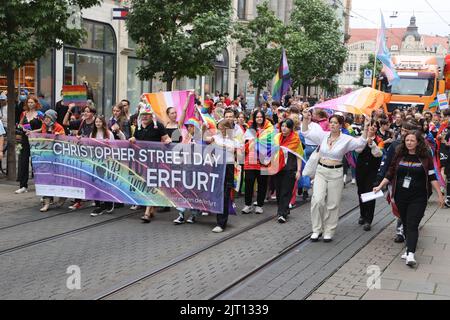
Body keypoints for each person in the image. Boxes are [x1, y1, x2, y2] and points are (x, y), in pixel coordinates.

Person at [374, 131, 444, 266]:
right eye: (407, 140)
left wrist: (440, 194)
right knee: (405, 222)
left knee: (412, 224)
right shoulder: (399, 155)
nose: (409, 143)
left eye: (412, 140)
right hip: (401, 195)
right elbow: (390, 172)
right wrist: (380, 186)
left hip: (419, 196)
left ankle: (411, 253)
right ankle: (408, 248)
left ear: (418, 142)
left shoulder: (424, 156)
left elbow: (432, 176)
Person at [301, 114, 369, 242]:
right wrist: (305, 118)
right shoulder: (323, 135)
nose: (332, 124)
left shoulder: (346, 139)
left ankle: (329, 230)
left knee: (333, 203)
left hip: (336, 172)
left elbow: (361, 142)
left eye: (335, 123)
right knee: (317, 200)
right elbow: (305, 132)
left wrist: (365, 127)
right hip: (321, 170)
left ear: (340, 125)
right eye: (331, 122)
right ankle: (317, 229)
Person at [376, 119, 422, 243]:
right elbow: (387, 163)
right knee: (398, 204)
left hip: (415, 184)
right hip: (396, 180)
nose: (403, 133)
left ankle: (408, 227)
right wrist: (380, 179)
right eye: (402, 130)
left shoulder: (421, 146)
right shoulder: (395, 144)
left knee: (411, 207)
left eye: (406, 131)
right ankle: (401, 229)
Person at [130, 105, 171, 223]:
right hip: (142, 161)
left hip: (155, 161)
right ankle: (151, 208)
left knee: (151, 184)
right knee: (145, 184)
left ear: (151, 116)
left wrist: (168, 141)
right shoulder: (138, 128)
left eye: (146, 115)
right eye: (142, 115)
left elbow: (166, 139)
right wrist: (132, 139)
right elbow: (136, 140)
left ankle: (147, 212)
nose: (144, 117)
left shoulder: (158, 126)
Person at [242, 110, 273, 214]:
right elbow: (245, 145)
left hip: (264, 161)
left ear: (264, 118)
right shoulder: (250, 130)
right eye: (257, 117)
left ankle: (259, 205)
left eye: (261, 117)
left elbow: (272, 145)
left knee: (262, 184)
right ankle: (247, 205)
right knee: (249, 183)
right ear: (254, 119)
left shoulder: (269, 130)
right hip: (250, 161)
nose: (259, 118)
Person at [355, 120, 383, 231]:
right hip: (360, 169)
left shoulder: (379, 140)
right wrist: (365, 140)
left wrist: (372, 144)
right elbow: (357, 150)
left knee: (370, 193)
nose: (372, 128)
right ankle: (362, 214)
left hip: (372, 170)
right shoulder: (361, 138)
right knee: (361, 192)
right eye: (370, 125)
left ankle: (368, 219)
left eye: (375, 126)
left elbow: (378, 154)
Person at [273, 119, 303, 223]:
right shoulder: (277, 137)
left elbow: (299, 156)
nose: (284, 128)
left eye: (286, 126)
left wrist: (299, 171)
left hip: (290, 168)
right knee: (279, 191)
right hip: (277, 167)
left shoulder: (296, 139)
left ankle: (282, 214)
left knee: (286, 191)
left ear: (291, 128)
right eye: (282, 126)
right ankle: (283, 209)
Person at [39, 110, 66, 212]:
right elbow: (43, 138)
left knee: (58, 179)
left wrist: (58, 136)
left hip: (57, 157)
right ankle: (46, 203)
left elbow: (64, 141)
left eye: (48, 117)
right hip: (46, 156)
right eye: (45, 117)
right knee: (46, 178)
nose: (45, 119)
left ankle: (62, 197)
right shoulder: (44, 126)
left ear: (53, 119)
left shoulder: (59, 127)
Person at [15, 95, 43, 194]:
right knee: (23, 162)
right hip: (24, 140)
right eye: (29, 102)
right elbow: (19, 124)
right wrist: (22, 128)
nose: (30, 104)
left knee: (36, 163)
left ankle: (40, 185)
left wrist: (33, 132)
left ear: (36, 103)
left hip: (35, 141)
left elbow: (44, 127)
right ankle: (23, 186)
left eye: (32, 102)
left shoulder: (39, 114)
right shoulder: (24, 113)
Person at [90, 116, 116, 216]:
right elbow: (89, 145)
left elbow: (114, 147)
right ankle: (99, 205)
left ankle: (108, 202)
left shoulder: (109, 133)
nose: (97, 123)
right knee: (96, 183)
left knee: (105, 183)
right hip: (96, 161)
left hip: (106, 161)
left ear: (103, 122)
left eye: (99, 121)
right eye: (96, 121)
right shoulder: (92, 134)